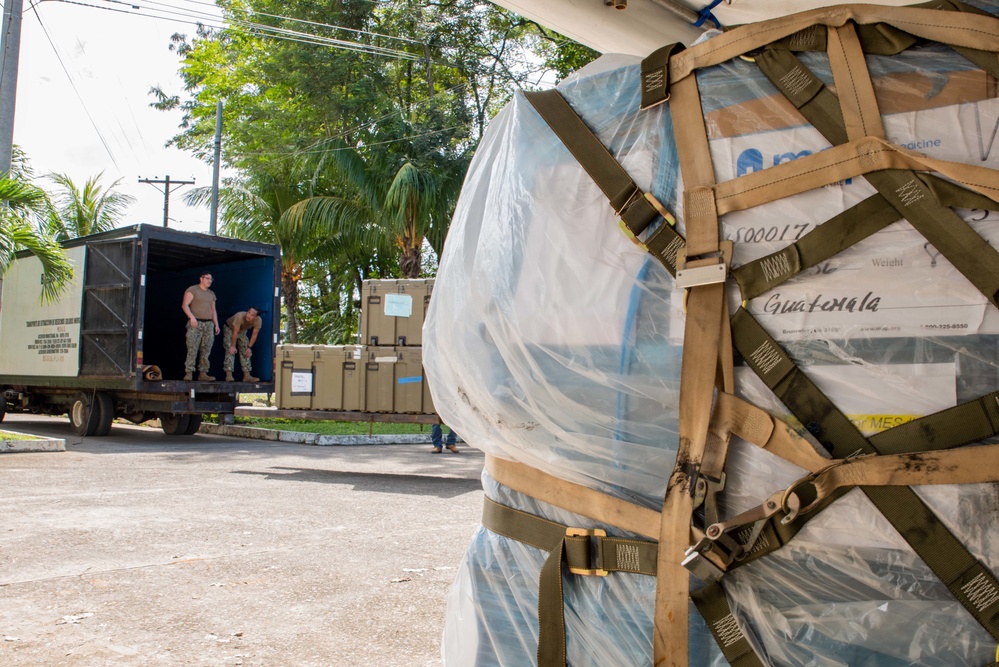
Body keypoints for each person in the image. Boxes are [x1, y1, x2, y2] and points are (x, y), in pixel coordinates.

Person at [181, 271, 219, 381]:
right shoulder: (192, 290)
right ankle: (189, 372)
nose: (209, 281)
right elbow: (185, 305)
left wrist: (216, 324)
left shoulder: (211, 294)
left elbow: (213, 310)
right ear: (201, 279)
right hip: (195, 323)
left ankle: (203, 373)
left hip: (208, 324)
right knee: (192, 347)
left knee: (206, 349)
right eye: (207, 278)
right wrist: (191, 317)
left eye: (211, 279)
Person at [223, 307, 263, 382]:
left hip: (242, 331)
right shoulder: (239, 316)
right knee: (230, 349)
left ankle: (247, 375)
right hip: (230, 329)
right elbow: (235, 333)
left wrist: (249, 347)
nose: (248, 316)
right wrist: (233, 346)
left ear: (256, 317)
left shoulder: (258, 321)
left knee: (245, 350)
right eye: (248, 313)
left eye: (252, 315)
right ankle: (229, 374)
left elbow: (254, 335)